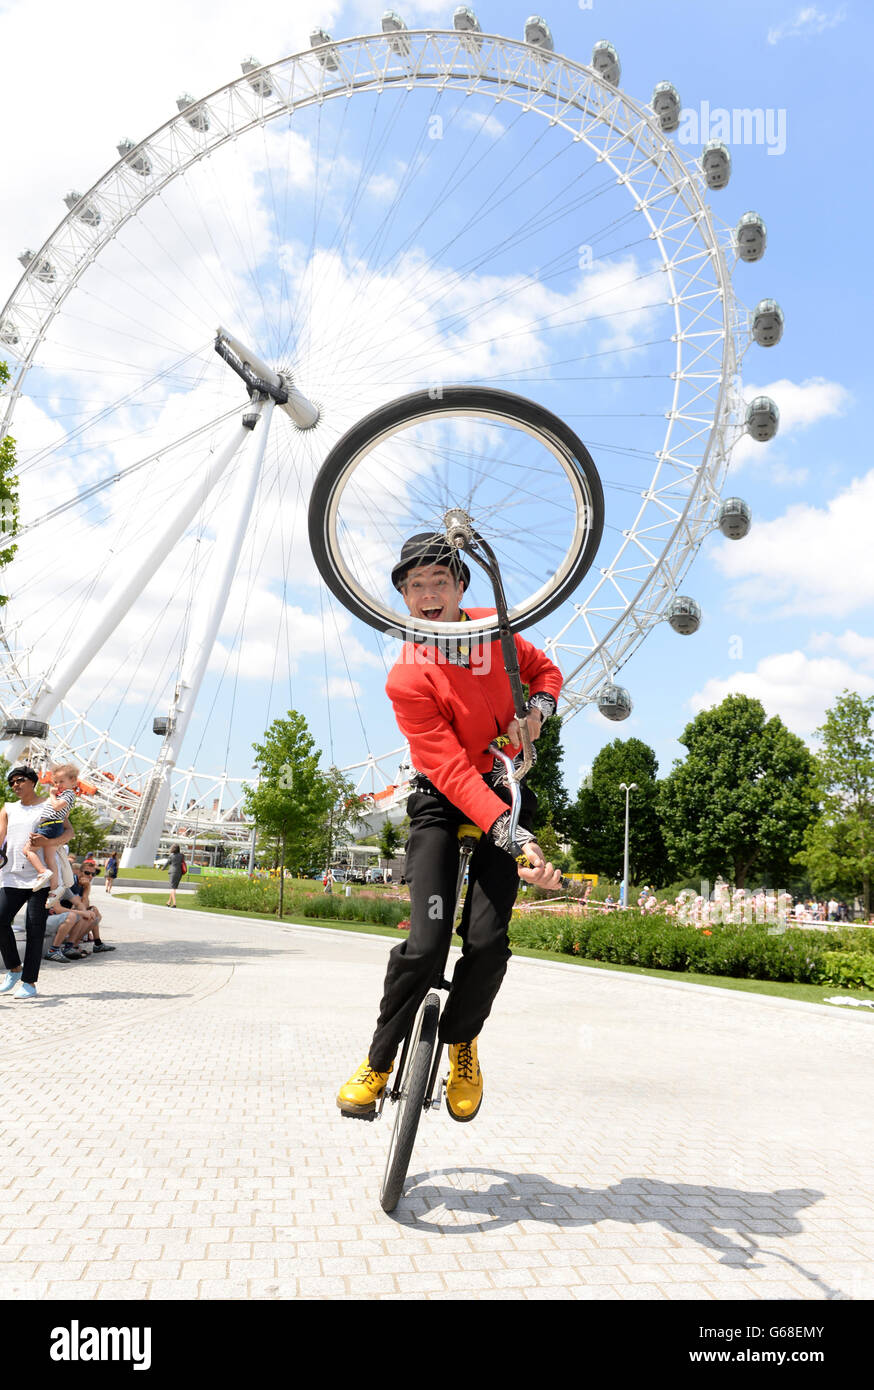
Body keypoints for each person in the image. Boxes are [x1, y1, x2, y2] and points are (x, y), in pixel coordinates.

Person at [337, 533, 562, 1123]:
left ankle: (463, 1042)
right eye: (415, 586)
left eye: (441, 581)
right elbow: (448, 769)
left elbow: (546, 672)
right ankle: (380, 1058)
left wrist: (537, 712)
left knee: (487, 942)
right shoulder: (407, 678)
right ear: (401, 598)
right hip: (443, 797)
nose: (429, 594)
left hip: (500, 784)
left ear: (463, 586)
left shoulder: (497, 631)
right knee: (427, 940)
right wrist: (510, 834)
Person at [0, 767, 75, 999]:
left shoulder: (50, 804)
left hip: (40, 879)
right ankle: (14, 968)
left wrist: (48, 840)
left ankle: (29, 983)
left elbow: (69, 832)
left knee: (35, 930)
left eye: (20, 780)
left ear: (33, 782)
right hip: (11, 875)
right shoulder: (8, 809)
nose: (15, 785)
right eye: (12, 782)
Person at [21, 763, 79, 893]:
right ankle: (55, 890)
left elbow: (57, 807)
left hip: (50, 825)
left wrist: (52, 795)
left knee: (28, 850)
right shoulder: (65, 795)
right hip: (54, 825)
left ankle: (42, 871)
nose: (58, 785)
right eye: (56, 782)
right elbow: (65, 813)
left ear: (73, 780)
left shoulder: (68, 794)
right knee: (50, 859)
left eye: (62, 781)